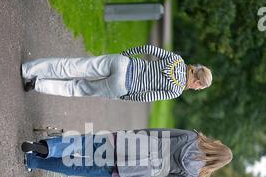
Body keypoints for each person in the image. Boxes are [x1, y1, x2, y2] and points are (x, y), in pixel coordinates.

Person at [21, 128, 232, 177]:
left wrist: (134, 132)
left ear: (215, 145)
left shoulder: (192, 137)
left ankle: (47, 147)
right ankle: (35, 161)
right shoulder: (192, 173)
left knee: (86, 142)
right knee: (80, 168)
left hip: (135, 143)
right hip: (133, 168)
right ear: (216, 165)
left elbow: (158, 132)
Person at [21, 45, 212, 102]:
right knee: (78, 89)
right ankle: (38, 85)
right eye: (199, 87)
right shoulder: (176, 90)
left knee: (72, 66)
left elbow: (149, 49)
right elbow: (147, 97)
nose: (196, 89)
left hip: (123, 64)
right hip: (122, 86)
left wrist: (125, 55)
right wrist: (125, 97)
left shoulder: (177, 60)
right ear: (197, 83)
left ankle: (28, 69)